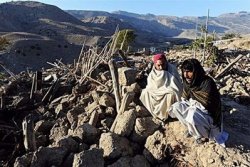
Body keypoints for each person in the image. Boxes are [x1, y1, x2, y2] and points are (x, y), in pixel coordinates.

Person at [169, 58, 228, 145]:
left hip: (208, 115)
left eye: (189, 71)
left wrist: (192, 105)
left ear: (196, 71)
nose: (186, 75)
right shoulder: (188, 82)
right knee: (176, 107)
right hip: (193, 107)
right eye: (184, 71)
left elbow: (207, 105)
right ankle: (191, 130)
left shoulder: (207, 83)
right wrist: (190, 104)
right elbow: (185, 98)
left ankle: (200, 135)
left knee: (192, 115)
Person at [140, 53, 182, 122]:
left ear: (166, 62)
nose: (161, 68)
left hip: (168, 91)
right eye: (158, 65)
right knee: (145, 93)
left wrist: (167, 89)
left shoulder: (172, 69)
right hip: (155, 92)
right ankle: (154, 113)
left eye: (163, 65)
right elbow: (150, 86)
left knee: (171, 94)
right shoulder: (153, 72)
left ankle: (168, 115)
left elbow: (177, 86)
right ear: (155, 64)